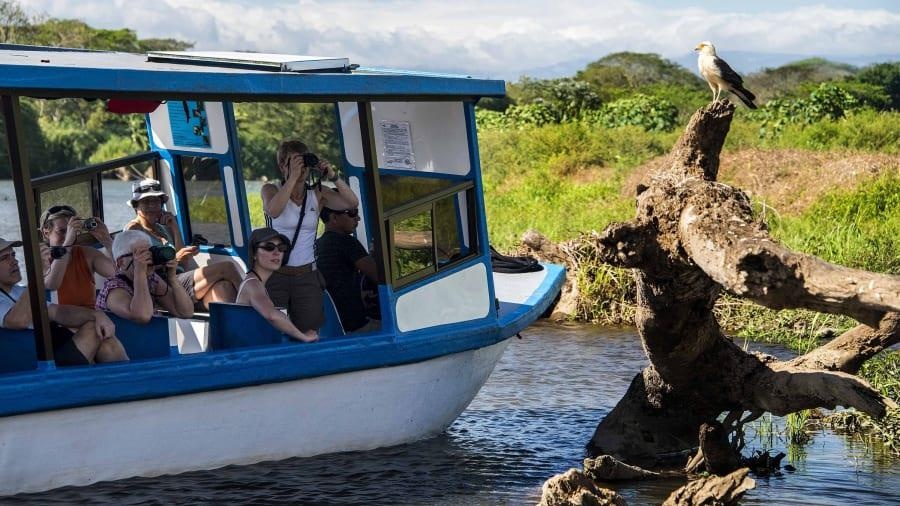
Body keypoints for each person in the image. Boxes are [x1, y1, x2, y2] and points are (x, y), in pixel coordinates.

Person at [260, 139, 359, 333]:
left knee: (310, 332)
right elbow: (273, 211)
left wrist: (333, 176)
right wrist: (292, 178)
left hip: (306, 276)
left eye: (303, 161)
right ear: (282, 166)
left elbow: (351, 203)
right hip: (276, 274)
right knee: (274, 332)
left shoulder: (318, 193)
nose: (302, 168)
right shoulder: (271, 190)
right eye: (295, 162)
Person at [0, 237, 128, 365]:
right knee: (95, 330)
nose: (14, 261)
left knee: (105, 338)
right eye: (4, 258)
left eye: (13, 255)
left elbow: (58, 312)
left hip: (51, 353)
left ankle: (128, 377)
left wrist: (96, 315)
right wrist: (38, 273)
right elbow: (18, 320)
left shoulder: (19, 291)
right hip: (34, 363)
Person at [124, 178, 241, 311]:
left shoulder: (162, 229)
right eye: (146, 201)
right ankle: (251, 309)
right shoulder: (133, 230)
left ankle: (234, 323)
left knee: (223, 288)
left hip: (178, 279)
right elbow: (136, 270)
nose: (152, 206)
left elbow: (183, 265)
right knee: (227, 267)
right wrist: (176, 259)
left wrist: (174, 227)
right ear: (136, 205)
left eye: (156, 201)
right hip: (162, 285)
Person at [235, 228, 318, 343]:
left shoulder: (256, 282)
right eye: (269, 247)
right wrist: (303, 336)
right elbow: (271, 315)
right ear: (254, 254)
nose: (276, 252)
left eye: (281, 248)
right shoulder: (252, 284)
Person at [95, 230, 194, 322]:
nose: (150, 258)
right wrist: (140, 273)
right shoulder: (113, 289)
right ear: (122, 262)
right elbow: (143, 316)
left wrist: (172, 278)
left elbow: (185, 312)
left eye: (151, 252)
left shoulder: (151, 279)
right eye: (142, 254)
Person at [315, 195, 380, 333]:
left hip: (335, 327)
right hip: (357, 326)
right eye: (352, 213)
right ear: (334, 218)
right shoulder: (347, 242)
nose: (358, 218)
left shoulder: (317, 245)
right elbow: (381, 277)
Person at [40, 205, 116, 309]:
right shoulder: (41, 257)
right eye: (62, 231)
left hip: (91, 315)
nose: (67, 236)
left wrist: (107, 241)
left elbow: (118, 274)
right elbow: (51, 285)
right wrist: (68, 243)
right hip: (60, 317)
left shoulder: (86, 254)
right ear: (46, 232)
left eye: (71, 231)